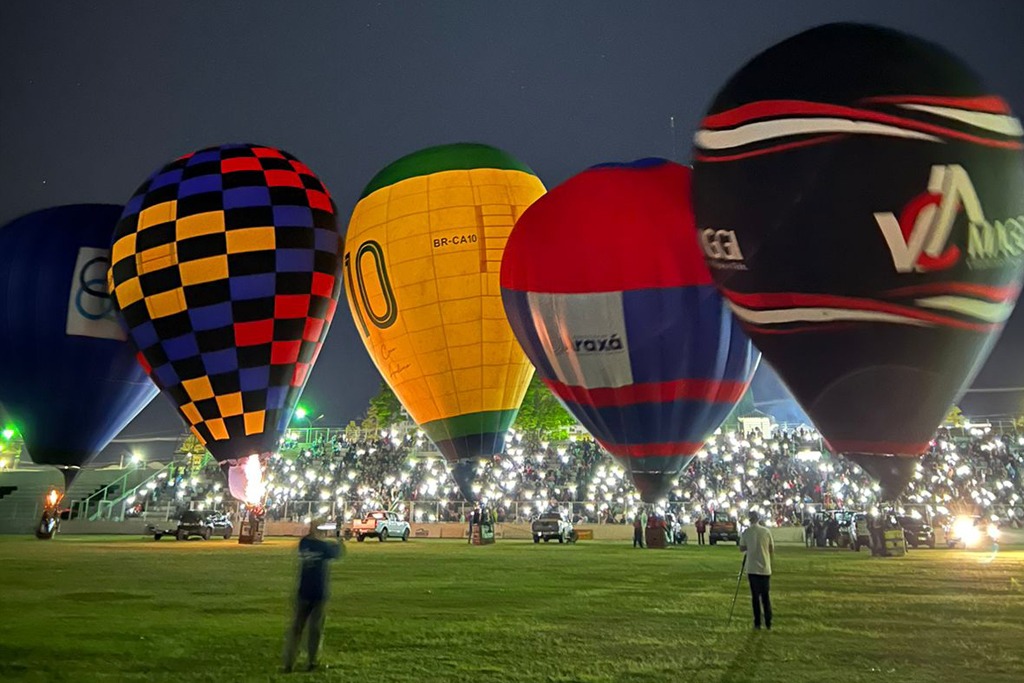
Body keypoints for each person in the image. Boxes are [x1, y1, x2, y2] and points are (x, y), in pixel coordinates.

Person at [283, 518, 343, 673]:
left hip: (303, 591)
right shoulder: (323, 546)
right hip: (318, 592)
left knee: (297, 628)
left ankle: (289, 662)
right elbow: (337, 553)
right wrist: (339, 540)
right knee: (315, 630)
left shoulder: (304, 543)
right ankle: (312, 661)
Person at [739, 510, 774, 630]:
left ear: (750, 519)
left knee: (755, 596)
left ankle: (757, 622)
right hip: (765, 568)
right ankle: (768, 621)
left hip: (752, 568)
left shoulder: (746, 532)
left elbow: (742, 548)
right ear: (758, 519)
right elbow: (771, 548)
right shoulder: (766, 531)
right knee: (765, 596)